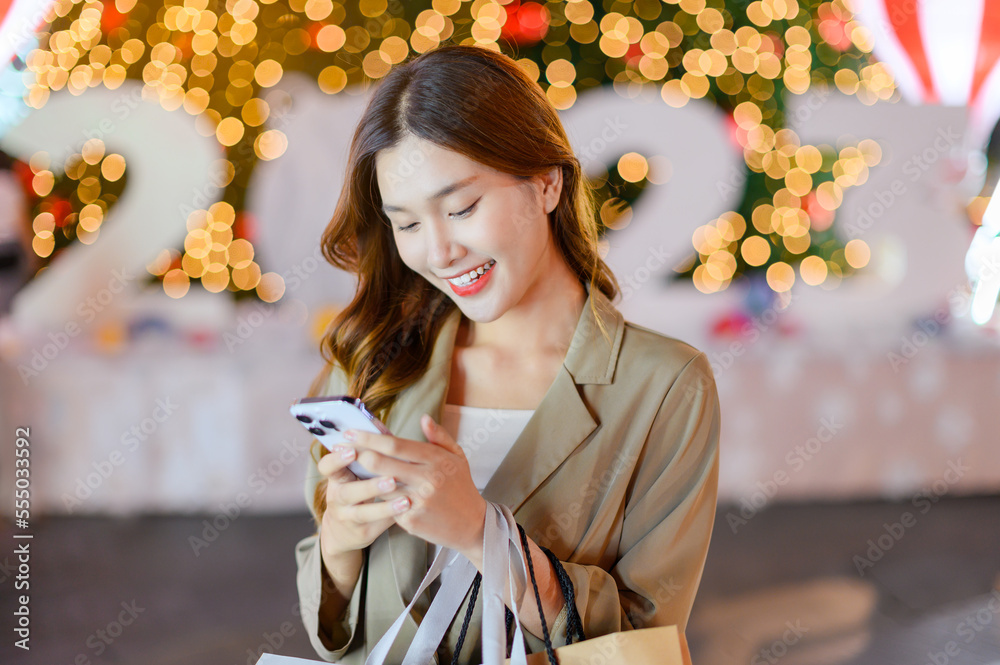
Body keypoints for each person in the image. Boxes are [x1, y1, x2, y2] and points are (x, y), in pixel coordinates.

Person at [294, 44, 720, 665]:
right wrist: (337, 543)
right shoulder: (370, 363)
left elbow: (641, 637)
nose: (439, 252)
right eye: (406, 224)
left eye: (462, 208)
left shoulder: (665, 387)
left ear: (546, 182)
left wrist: (478, 532)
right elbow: (335, 630)